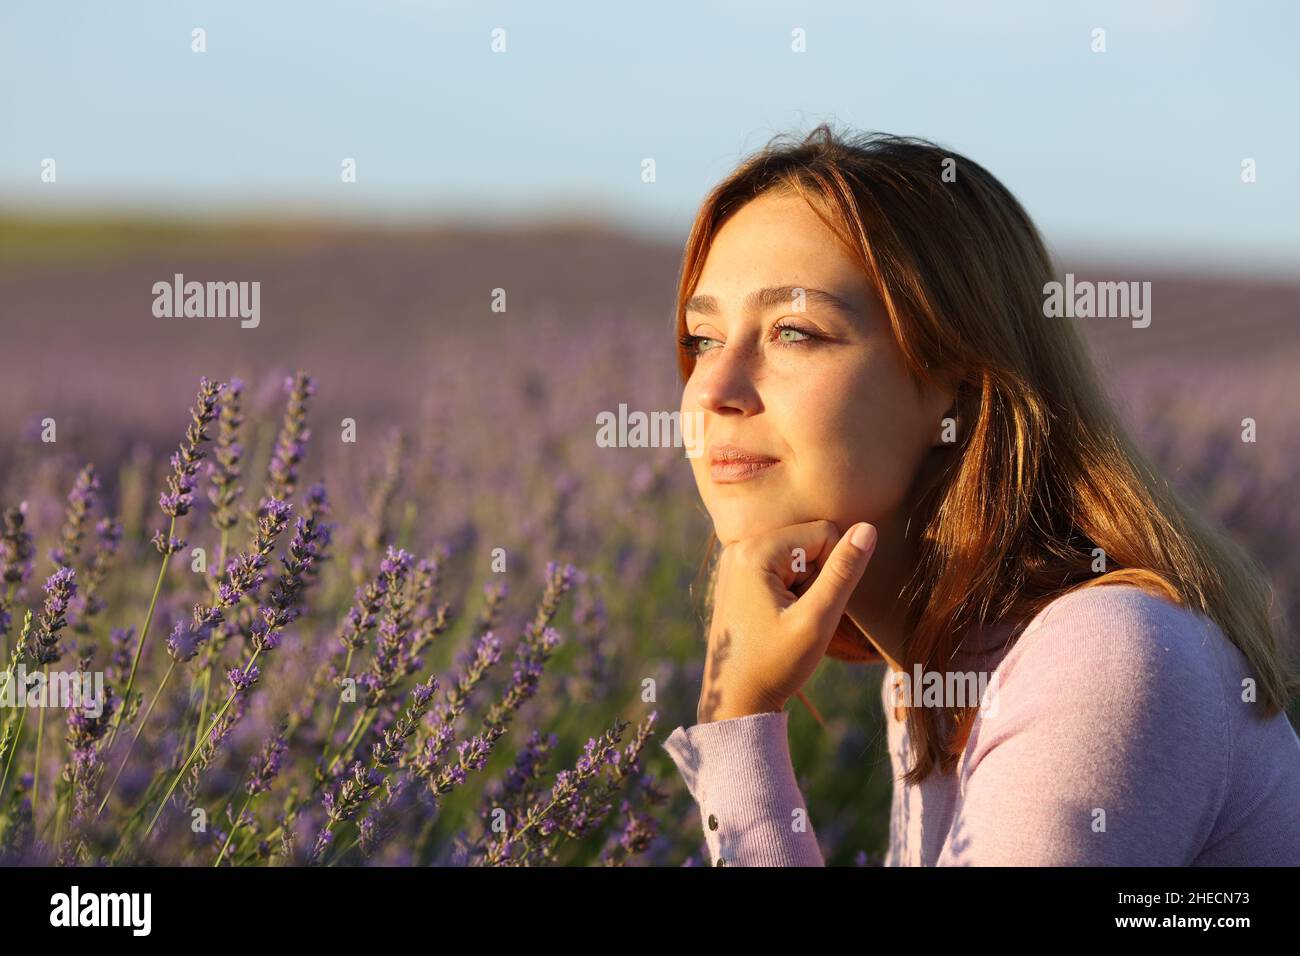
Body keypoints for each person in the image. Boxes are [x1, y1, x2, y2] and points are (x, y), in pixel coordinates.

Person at [661, 124, 1300, 866]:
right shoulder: (934, 671)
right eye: (703, 338)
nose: (714, 389)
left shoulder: (1100, 655)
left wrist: (739, 726)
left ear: (957, 383)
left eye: (794, 331)